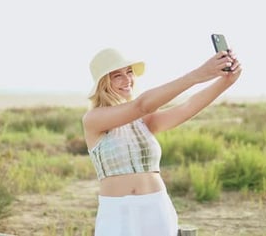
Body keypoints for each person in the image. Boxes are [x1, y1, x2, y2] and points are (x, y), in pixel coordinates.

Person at [82, 47, 242, 236]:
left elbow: (188, 107)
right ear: (103, 83)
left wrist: (226, 82)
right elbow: (142, 105)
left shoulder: (142, 121)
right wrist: (199, 74)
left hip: (157, 208)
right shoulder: (93, 119)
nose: (127, 80)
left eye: (130, 72)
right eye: (117, 76)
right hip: (118, 213)